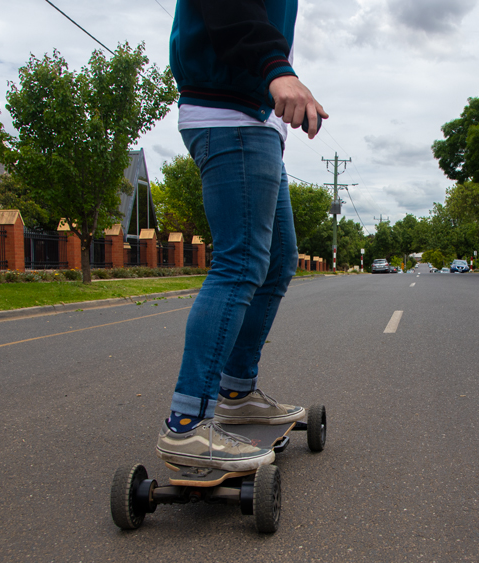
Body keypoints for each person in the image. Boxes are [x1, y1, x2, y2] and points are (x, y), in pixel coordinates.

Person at [155, 0, 327, 472]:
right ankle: (187, 424)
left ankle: (237, 391)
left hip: (254, 120)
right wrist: (276, 68)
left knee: (276, 260)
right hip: (228, 115)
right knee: (240, 263)